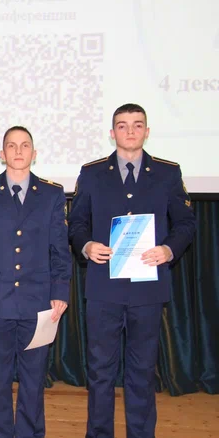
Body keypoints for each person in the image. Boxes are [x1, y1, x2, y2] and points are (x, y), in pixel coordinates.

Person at [68, 103, 196, 438]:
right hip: (103, 288)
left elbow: (186, 223)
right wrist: (86, 245)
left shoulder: (167, 173)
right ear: (112, 133)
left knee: (142, 373)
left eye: (137, 125)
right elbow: (76, 223)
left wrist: (168, 249)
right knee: (100, 373)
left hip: (147, 288)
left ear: (147, 131)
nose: (130, 131)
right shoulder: (92, 173)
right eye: (122, 126)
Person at [0, 126, 71, 438]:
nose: (18, 151)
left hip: (38, 303)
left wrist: (60, 291)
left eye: (25, 146)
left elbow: (59, 249)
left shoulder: (52, 194)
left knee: (33, 380)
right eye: (11, 145)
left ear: (34, 154)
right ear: (2, 153)